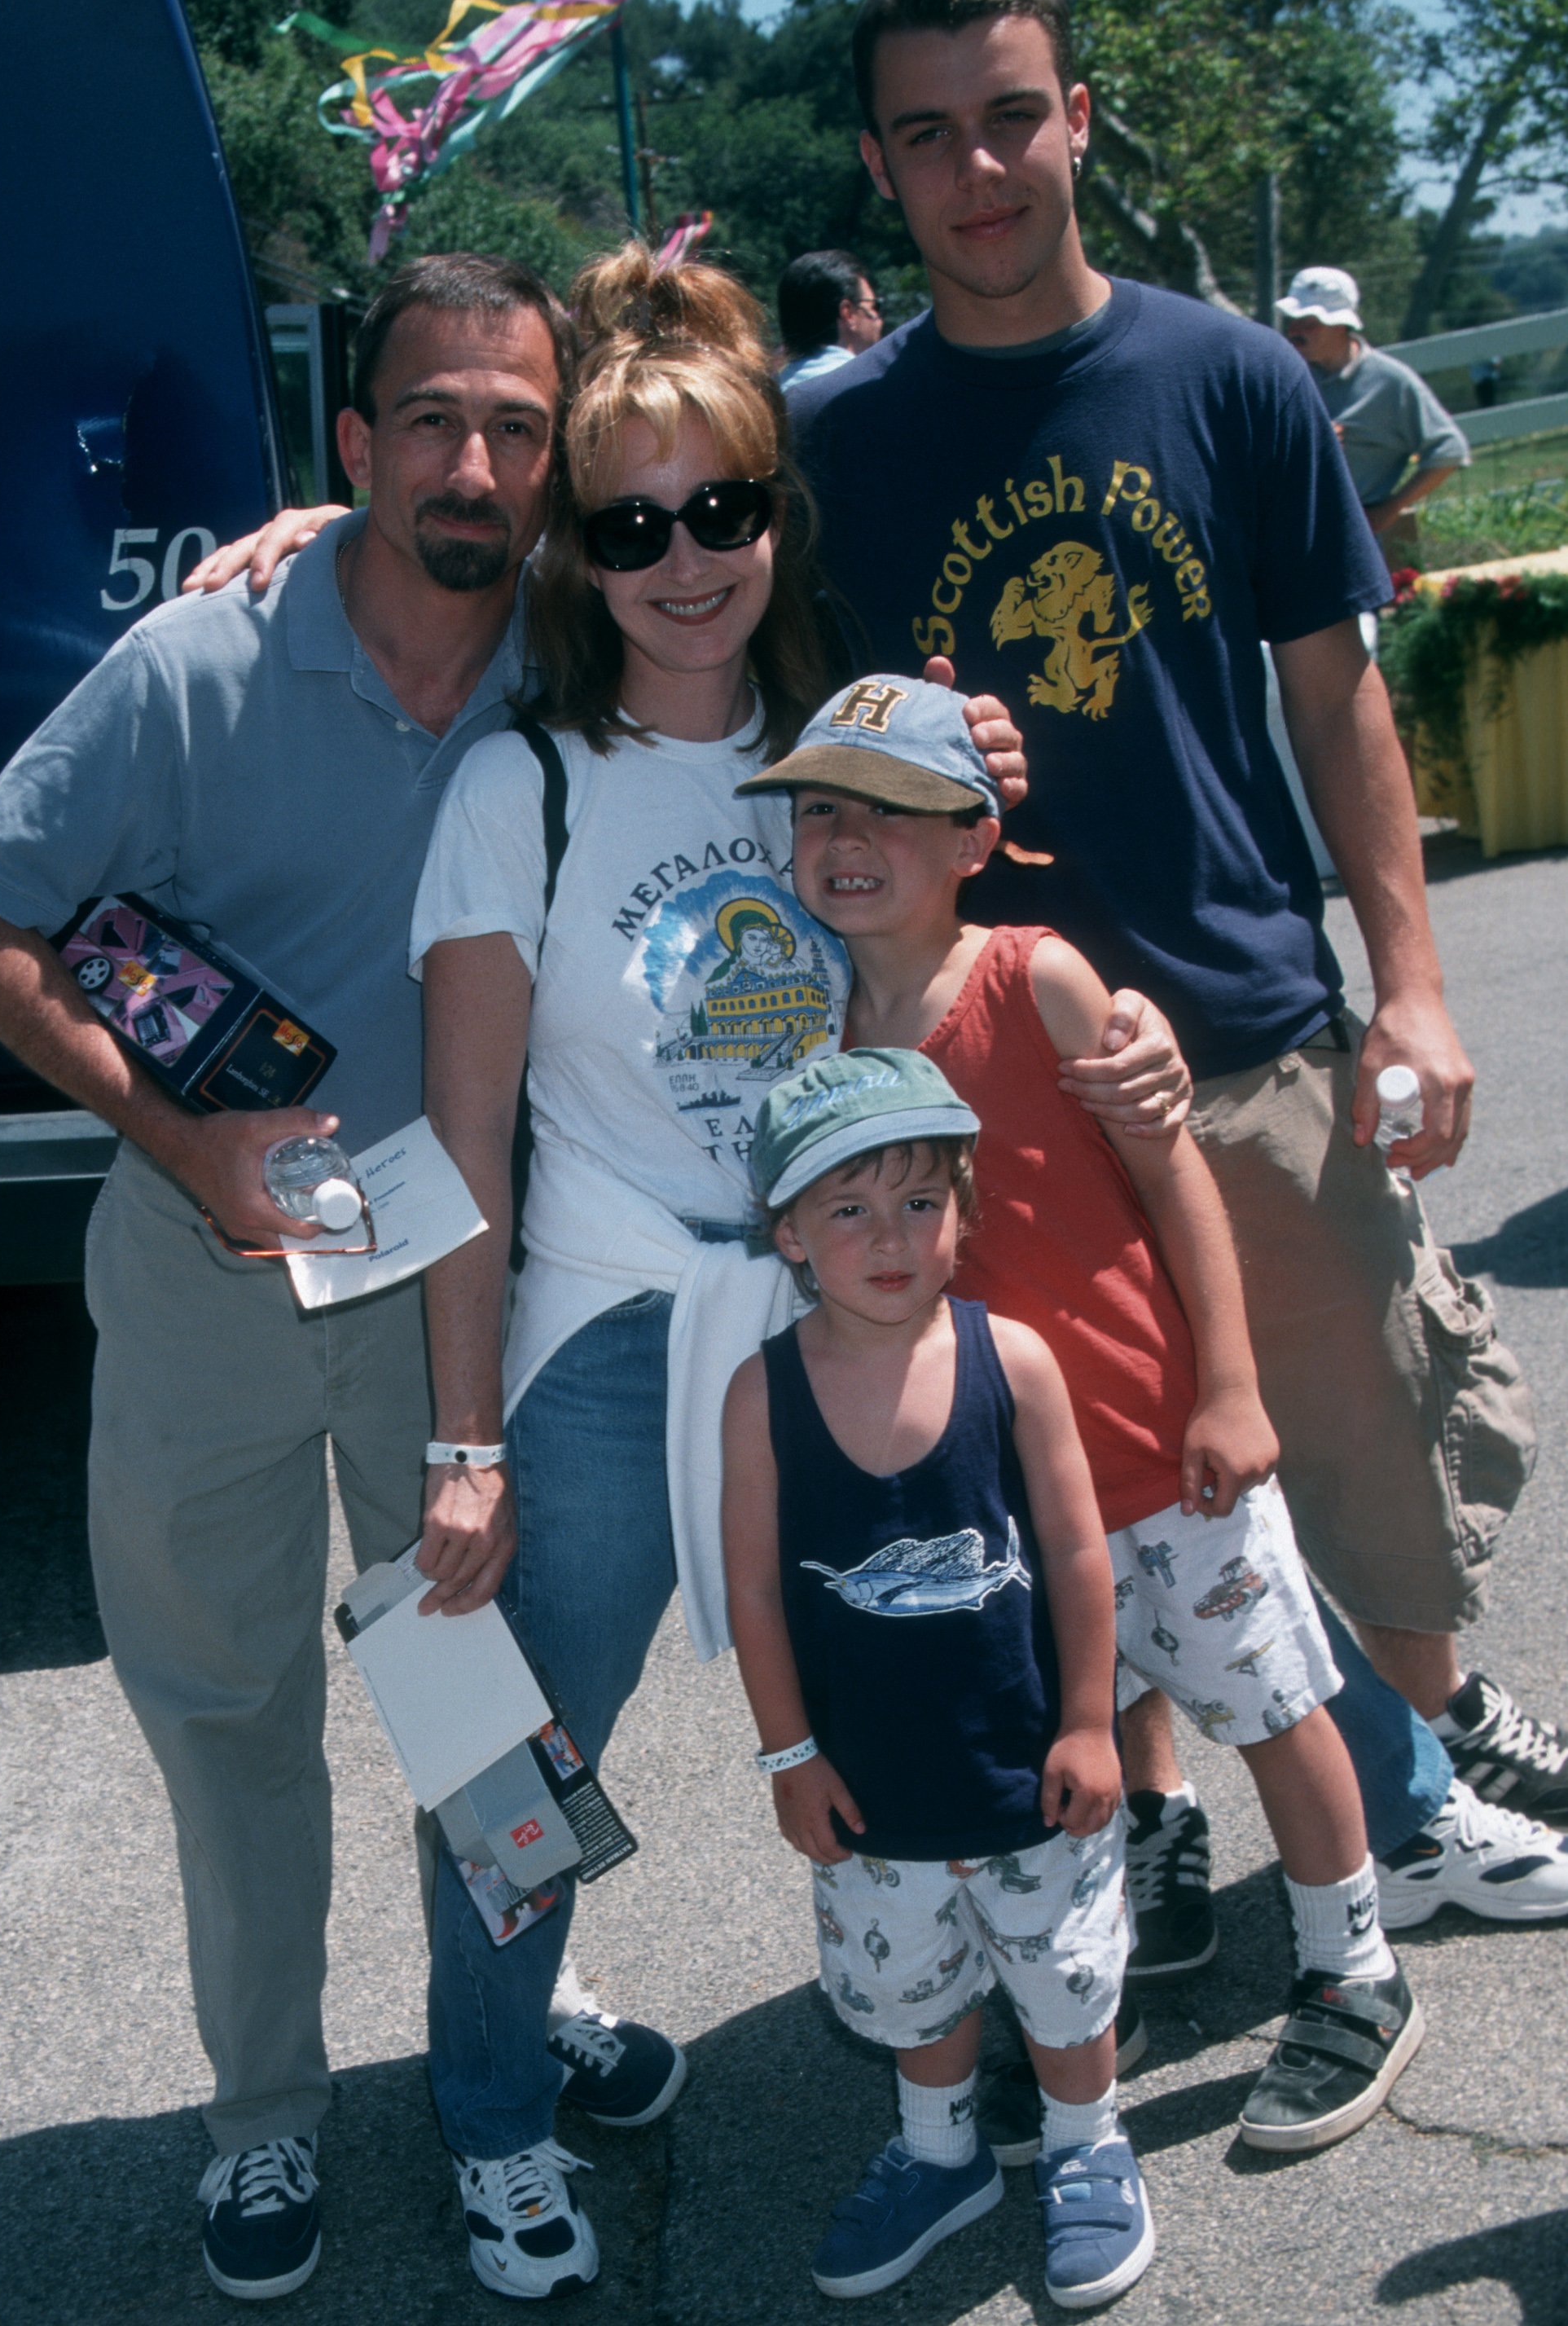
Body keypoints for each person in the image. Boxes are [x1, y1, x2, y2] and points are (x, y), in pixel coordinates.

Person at [0, 254, 682, 2306]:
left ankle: (522, 2010)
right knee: (236, 1716)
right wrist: (185, 1140)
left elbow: (760, 587)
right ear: (350, 445)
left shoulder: (572, 651)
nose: (475, 461)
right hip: (205, 1277)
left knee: (469, 1695)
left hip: (446, 1267)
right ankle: (267, 2116)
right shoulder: (196, 668)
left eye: (519, 427)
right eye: (430, 416)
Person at [783, 0, 1558, 1973]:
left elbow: (1340, 704)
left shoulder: (1228, 376)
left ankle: (1407, 1804)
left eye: (1016, 115)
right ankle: (1167, 1814)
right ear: (882, 166)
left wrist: (1409, 974)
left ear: (1080, 120)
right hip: (994, 1069)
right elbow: (655, 607)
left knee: (1361, 1448)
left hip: (1245, 1027)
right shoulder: (839, 446)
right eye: (933, 134)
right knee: (1107, 1483)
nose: (983, 168)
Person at [403, 246, 1039, 2302]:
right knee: (510, 1752)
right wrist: (465, 1433)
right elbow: (467, 1143)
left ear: (778, 509)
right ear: (580, 555)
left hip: (823, 1310)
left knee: (925, 1673)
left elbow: (949, 965)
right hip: (599, 1320)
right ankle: (493, 2121)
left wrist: (978, 810)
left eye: (724, 508)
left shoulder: (850, 748)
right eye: (631, 523)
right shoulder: (523, 785)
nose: (686, 559)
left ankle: (976, 2060)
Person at [742, 674, 1464, 2166]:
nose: (846, 837)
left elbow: (1175, 1180)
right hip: (1005, 1497)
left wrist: (1231, 1383)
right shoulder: (821, 1043)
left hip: (1160, 1451)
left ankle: (1353, 1966)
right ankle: (1091, 1996)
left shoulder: (1041, 978)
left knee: (1273, 1704)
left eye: (890, 808)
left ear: (974, 838)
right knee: (1077, 1726)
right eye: (819, 810)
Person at [724, 1044, 1156, 2310]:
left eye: (919, 1200)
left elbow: (1078, 1550)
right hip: (865, 1785)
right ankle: (940, 2159)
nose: (888, 1237)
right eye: (846, 1209)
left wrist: (1089, 1720)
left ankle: (1086, 2149)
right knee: (911, 1987)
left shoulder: (1009, 1360)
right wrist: (788, 1755)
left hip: (1026, 1762)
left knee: (1062, 1979)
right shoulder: (759, 1394)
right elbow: (754, 1591)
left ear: (964, 1211)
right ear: (788, 1235)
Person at [1276, 266, 1470, 562]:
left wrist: (1389, 510)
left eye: (1310, 322)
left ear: (1341, 325)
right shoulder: (1283, 376)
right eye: (1293, 320)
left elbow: (1449, 450)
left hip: (1352, 539)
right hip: (1283, 534)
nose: (1295, 331)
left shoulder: (1389, 382)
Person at [776, 248, 884, 392]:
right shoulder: (872, 387)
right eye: (874, 306)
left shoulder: (770, 395)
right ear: (848, 313)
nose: (879, 319)